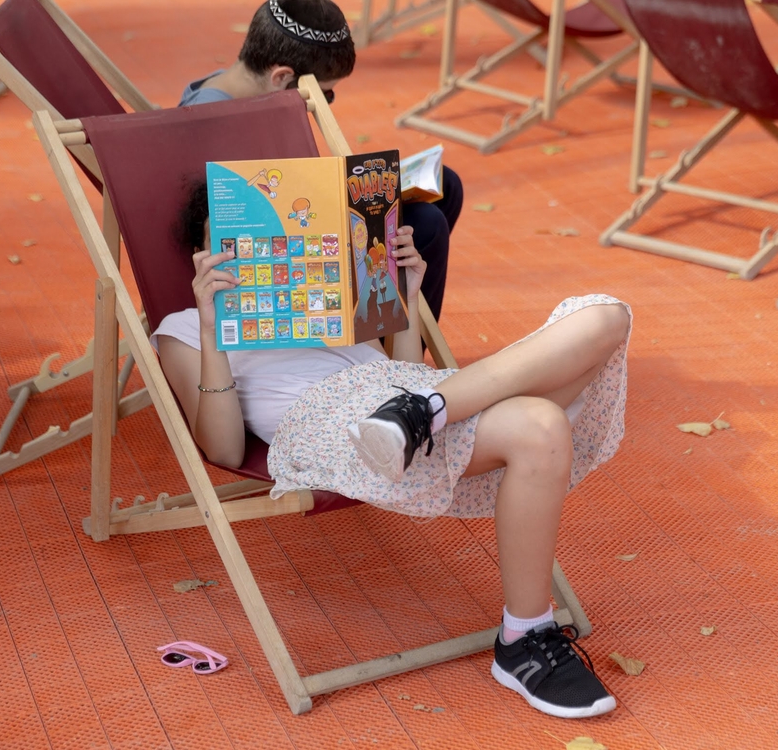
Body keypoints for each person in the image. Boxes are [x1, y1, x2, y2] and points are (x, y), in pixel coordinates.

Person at [155, 181, 631, 718]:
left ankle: (422, 410)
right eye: (229, 245)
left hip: (400, 399)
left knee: (607, 316)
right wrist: (216, 328)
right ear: (201, 256)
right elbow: (221, 445)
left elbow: (400, 368)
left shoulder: (327, 299)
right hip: (332, 425)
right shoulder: (184, 328)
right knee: (540, 426)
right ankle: (525, 637)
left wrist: (407, 293)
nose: (252, 256)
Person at [179, 0, 462, 320]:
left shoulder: (241, 92)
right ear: (282, 77)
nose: (324, 104)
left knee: (444, 184)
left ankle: (394, 327)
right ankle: (391, 343)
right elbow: (248, 227)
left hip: (302, 221)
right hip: (292, 266)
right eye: (324, 94)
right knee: (426, 224)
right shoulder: (215, 122)